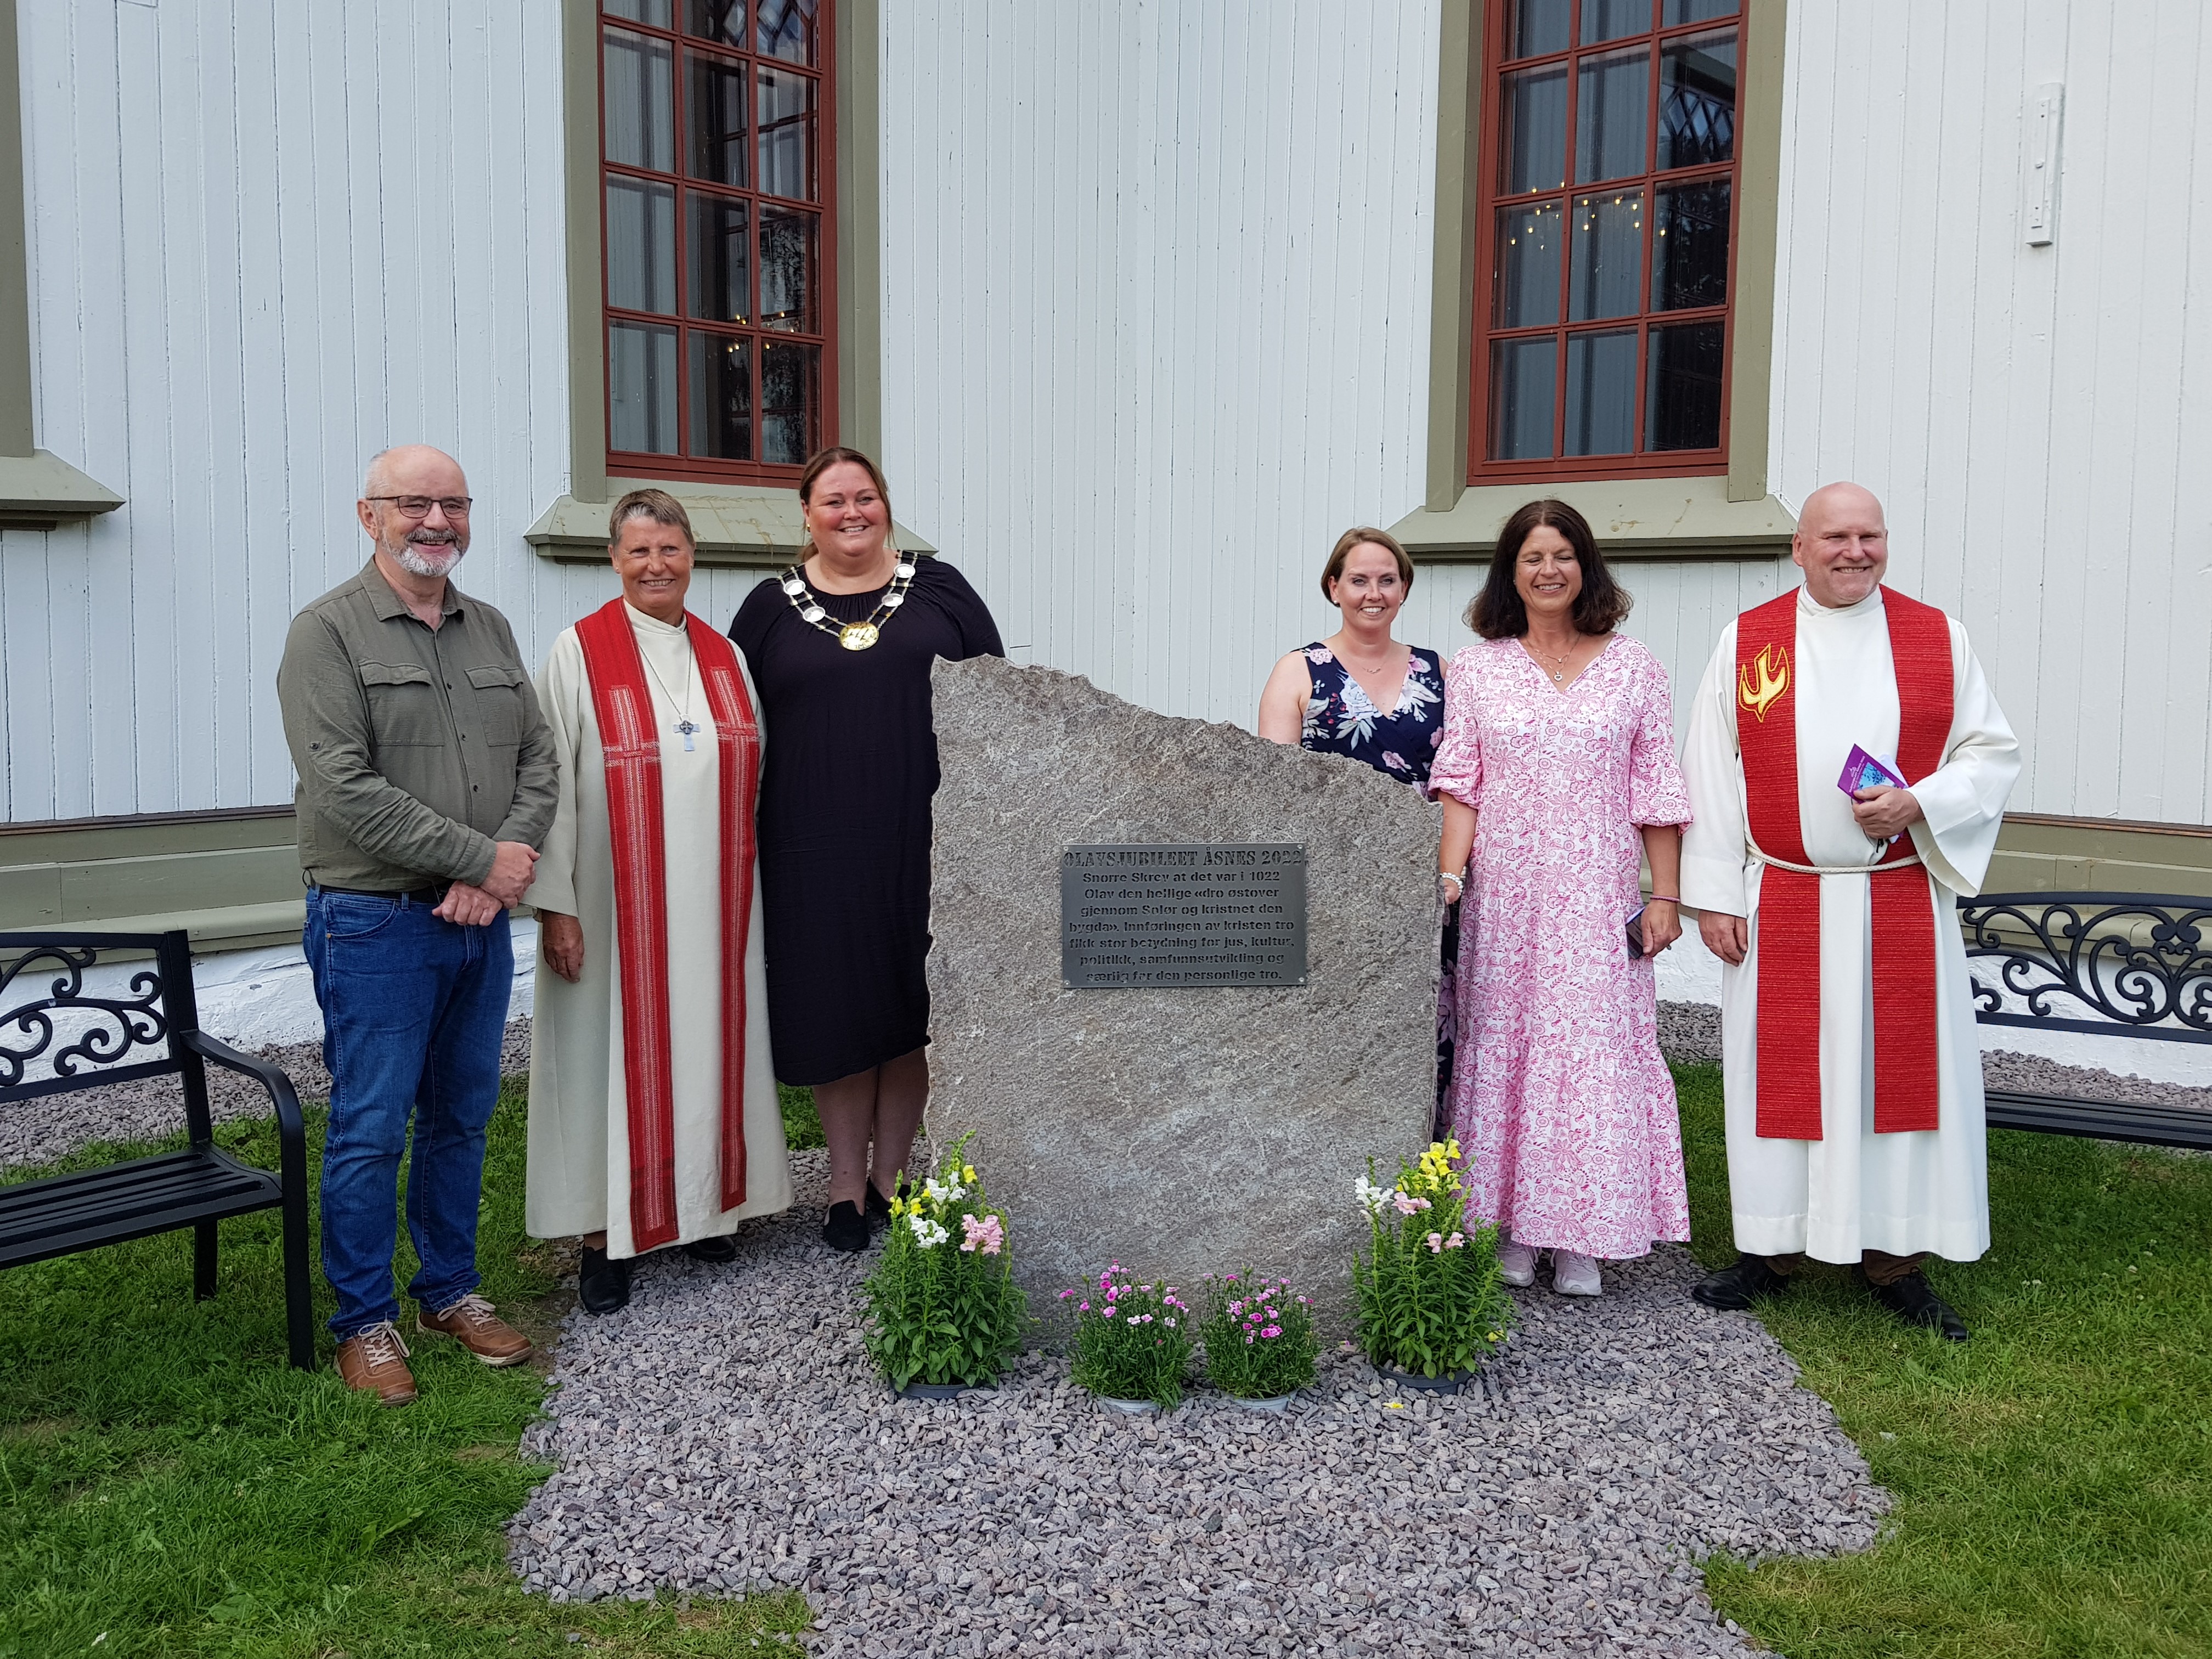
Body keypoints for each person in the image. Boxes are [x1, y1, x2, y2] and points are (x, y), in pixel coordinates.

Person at [1679, 482, 2019, 1341]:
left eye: (1869, 535)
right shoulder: (1750, 641)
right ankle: (1774, 1248)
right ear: (1799, 548)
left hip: (1897, 897)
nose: (1854, 551)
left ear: (1887, 543)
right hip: (1785, 891)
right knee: (1781, 1083)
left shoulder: (1937, 637)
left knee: (1895, 1082)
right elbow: (1713, 773)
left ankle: (1896, 1258)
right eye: (1835, 536)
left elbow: (1991, 752)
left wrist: (1923, 802)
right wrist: (1714, 895)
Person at [276, 444, 557, 1406]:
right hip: (376, 922)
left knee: (462, 1115)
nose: (436, 520)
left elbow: (538, 761)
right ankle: (365, 1318)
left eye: (453, 504)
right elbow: (342, 786)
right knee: (369, 1125)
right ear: (370, 516)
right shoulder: (327, 632)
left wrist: (499, 865)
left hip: (472, 924)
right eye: (413, 504)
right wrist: (480, 860)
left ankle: (449, 1290)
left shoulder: (493, 628)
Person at [526, 491, 793, 1315]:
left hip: (715, 905)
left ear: (691, 555)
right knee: (609, 1054)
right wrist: (556, 904)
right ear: (614, 558)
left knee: (716, 1045)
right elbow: (549, 787)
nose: (655, 566)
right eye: (639, 551)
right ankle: (605, 1235)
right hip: (613, 904)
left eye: (670, 550)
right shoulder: (579, 651)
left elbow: (757, 780)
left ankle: (712, 1205)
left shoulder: (724, 656)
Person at [729, 448, 1003, 1251]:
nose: (853, 513)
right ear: (806, 515)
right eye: (834, 501)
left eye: (866, 496)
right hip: (810, 843)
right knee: (837, 1005)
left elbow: (998, 704)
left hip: (925, 835)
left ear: (886, 503)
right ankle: (845, 1185)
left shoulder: (941, 590)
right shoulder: (768, 608)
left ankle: (894, 1177)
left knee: (909, 1003)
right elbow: (732, 721)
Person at [1430, 499, 1693, 1299]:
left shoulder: (1635, 667)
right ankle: (1511, 1226)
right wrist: (1450, 877)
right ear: (1511, 573)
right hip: (1504, 899)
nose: (1549, 571)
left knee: (1592, 1053)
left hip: (1596, 895)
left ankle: (1585, 1238)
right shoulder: (1475, 669)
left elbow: (1657, 789)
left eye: (1563, 555)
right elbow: (1460, 787)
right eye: (1532, 558)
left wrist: (1667, 895)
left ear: (1587, 567)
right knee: (1505, 1048)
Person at [1258, 527, 1455, 1108]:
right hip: (1334, 878)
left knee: (1426, 1015)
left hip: (1428, 880)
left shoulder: (1437, 670)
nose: (1374, 593)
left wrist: (1451, 871)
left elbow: (1462, 777)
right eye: (1360, 580)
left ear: (1404, 590)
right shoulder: (1299, 670)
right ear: (1334, 587)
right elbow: (1277, 789)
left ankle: (1428, 1160)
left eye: (1387, 580)